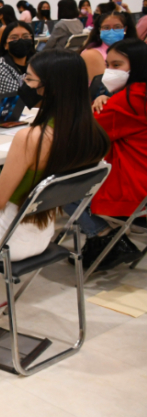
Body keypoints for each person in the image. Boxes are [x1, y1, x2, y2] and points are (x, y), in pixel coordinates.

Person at [0, 49, 110, 304]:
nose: (26, 84)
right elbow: (43, 186)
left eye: (30, 79)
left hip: (3, 240)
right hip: (42, 234)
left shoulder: (32, 138)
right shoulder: (91, 133)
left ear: (50, 86)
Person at [75, 39, 147, 270]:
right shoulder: (136, 95)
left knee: (59, 181)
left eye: (117, 65)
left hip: (135, 189)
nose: (109, 71)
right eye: (108, 64)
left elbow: (87, 136)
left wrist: (106, 102)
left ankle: (103, 237)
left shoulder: (129, 101)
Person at [80, 11, 139, 86]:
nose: (111, 31)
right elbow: (104, 87)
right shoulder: (91, 54)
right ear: (99, 30)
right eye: (106, 28)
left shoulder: (134, 49)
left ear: (125, 29)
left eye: (117, 27)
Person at [0, 22, 35, 102]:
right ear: (5, 45)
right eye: (14, 38)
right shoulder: (0, 66)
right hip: (5, 112)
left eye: (26, 36)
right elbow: (16, 98)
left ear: (32, 41)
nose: (20, 41)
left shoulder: (37, 62)